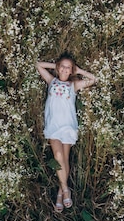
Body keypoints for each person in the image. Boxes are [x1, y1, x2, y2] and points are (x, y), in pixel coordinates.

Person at [36, 52, 96, 212]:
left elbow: (93, 79)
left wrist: (79, 71)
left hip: (68, 126)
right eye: (62, 66)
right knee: (58, 156)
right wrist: (55, 65)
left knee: (65, 159)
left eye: (68, 68)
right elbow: (38, 65)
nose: (64, 70)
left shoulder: (73, 85)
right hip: (53, 126)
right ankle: (65, 189)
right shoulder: (51, 81)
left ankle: (60, 194)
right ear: (57, 68)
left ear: (71, 71)